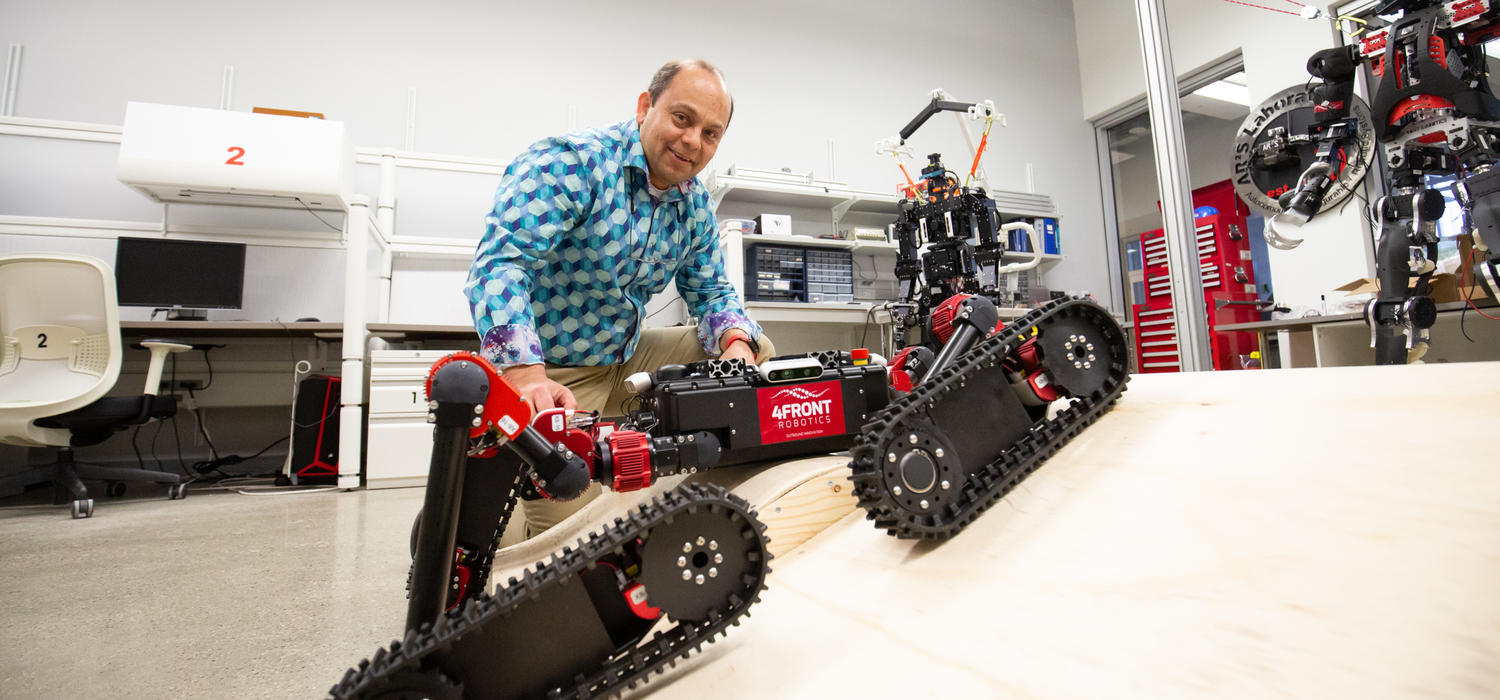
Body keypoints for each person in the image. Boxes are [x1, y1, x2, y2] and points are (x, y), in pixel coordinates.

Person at [465, 59, 774, 537]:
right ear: (645, 107)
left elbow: (712, 291)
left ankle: (706, 497)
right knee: (567, 535)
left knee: (754, 353)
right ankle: (519, 509)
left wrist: (735, 341)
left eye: (711, 133)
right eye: (682, 118)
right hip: (555, 371)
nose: (693, 141)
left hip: (625, 361)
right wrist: (524, 374)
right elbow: (500, 267)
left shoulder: (692, 204)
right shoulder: (570, 163)